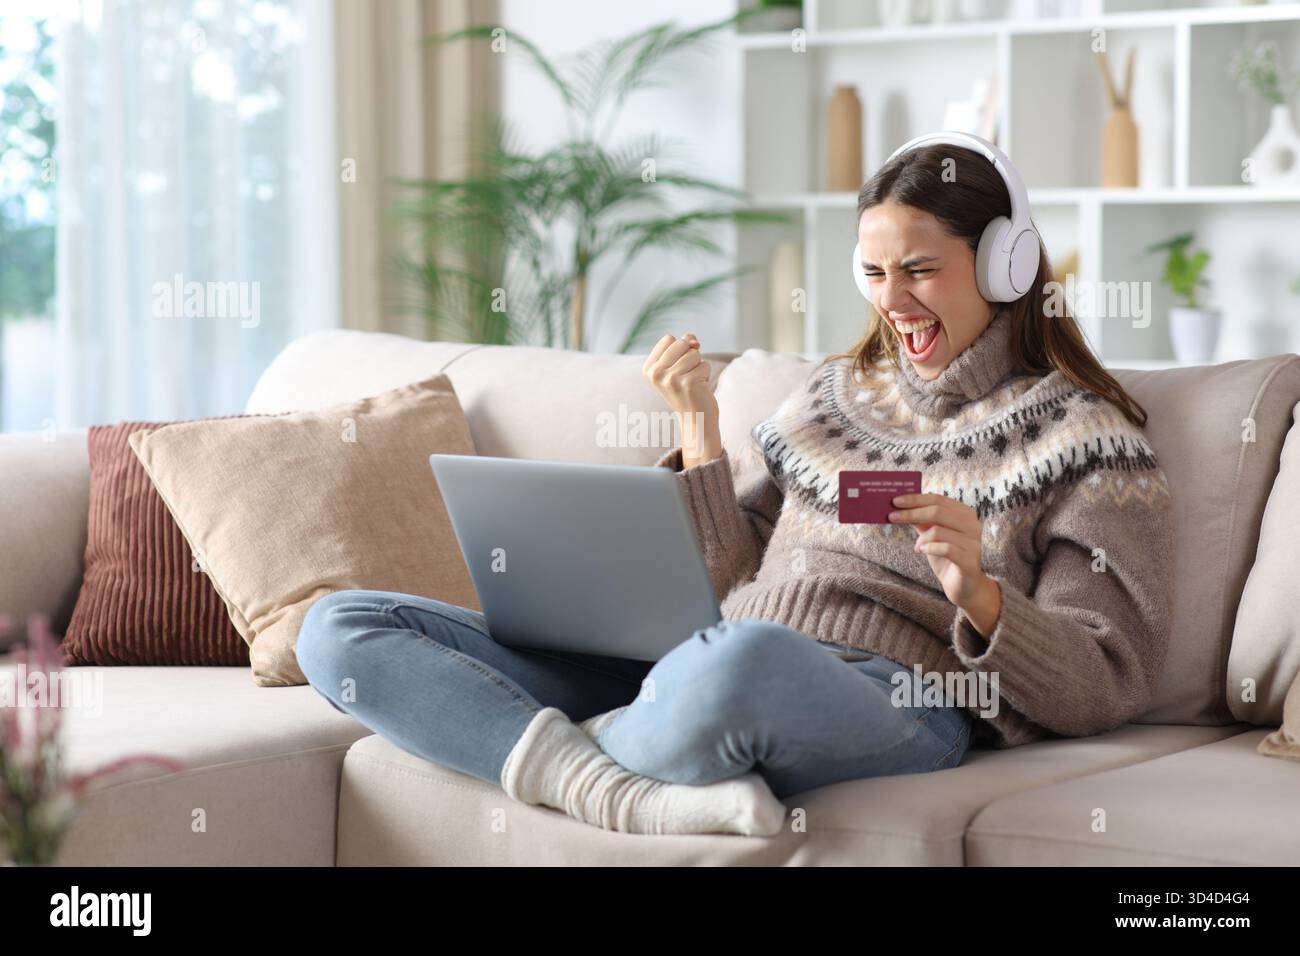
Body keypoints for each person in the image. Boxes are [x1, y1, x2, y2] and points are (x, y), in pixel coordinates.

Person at [295, 142, 1174, 838]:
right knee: (339, 626)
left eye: (918, 269)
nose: (892, 300)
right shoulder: (828, 399)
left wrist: (984, 601)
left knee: (743, 661)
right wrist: (697, 439)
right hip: (702, 653)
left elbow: (1107, 678)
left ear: (1004, 266)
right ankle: (610, 784)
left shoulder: (1085, 437)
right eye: (873, 274)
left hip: (893, 693)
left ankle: (565, 743)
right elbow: (723, 582)